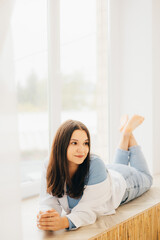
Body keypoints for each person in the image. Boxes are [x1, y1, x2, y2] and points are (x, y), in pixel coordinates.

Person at [37, 115, 153, 231]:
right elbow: (48, 199)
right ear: (61, 144)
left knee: (147, 177)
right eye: (74, 143)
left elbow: (88, 210)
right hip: (106, 174)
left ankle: (127, 133)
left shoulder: (95, 164)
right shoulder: (50, 164)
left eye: (85, 143)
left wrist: (63, 222)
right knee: (117, 166)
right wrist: (47, 215)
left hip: (123, 182)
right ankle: (125, 133)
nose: (82, 149)